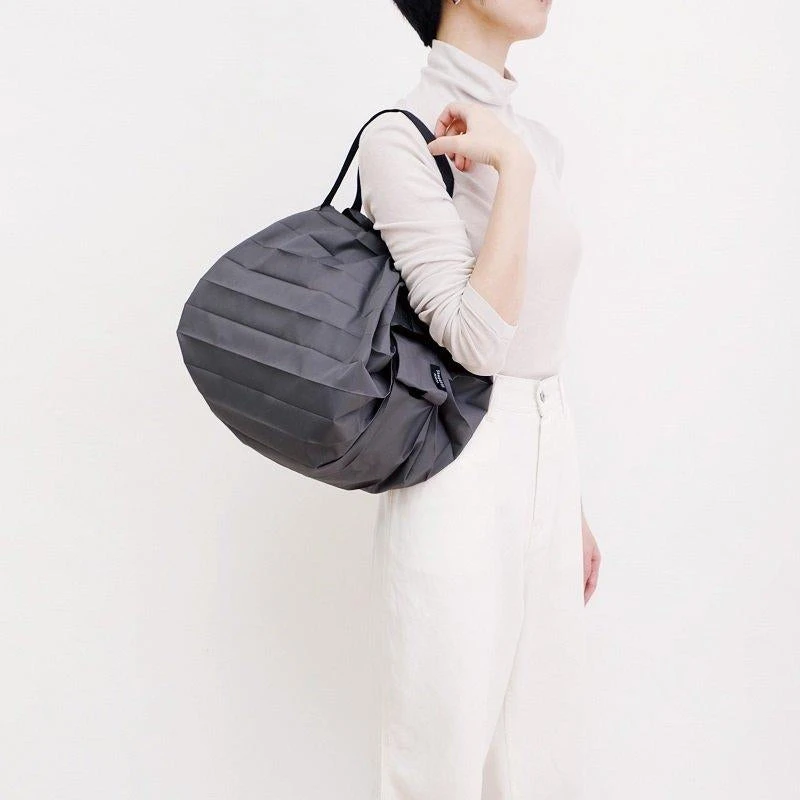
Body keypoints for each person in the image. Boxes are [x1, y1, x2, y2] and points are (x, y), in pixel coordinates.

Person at [359, 2, 601, 798]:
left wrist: (566, 503)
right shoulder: (400, 138)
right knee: (439, 763)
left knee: (542, 758)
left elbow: (542, 339)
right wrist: (512, 175)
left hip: (546, 456)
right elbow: (476, 340)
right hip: (455, 464)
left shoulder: (538, 142)